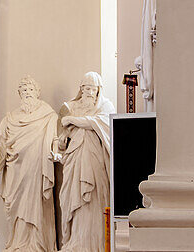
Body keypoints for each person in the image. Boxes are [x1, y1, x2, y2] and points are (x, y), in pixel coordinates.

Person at [0, 77, 60, 252]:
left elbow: (54, 138)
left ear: (37, 92)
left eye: (30, 90)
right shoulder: (10, 118)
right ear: (19, 94)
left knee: (35, 204)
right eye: (24, 91)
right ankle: (17, 243)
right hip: (15, 169)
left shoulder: (48, 115)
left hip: (36, 168)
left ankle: (37, 243)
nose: (27, 94)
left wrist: (56, 150)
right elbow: (0, 141)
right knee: (14, 203)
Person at [58, 72, 114, 252]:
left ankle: (95, 244)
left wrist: (72, 120)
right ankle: (76, 242)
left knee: (93, 198)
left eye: (93, 89)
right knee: (73, 196)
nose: (89, 93)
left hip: (95, 159)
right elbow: (65, 135)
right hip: (74, 157)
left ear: (99, 91)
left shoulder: (105, 105)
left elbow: (98, 124)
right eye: (86, 88)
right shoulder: (73, 107)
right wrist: (62, 138)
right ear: (80, 89)